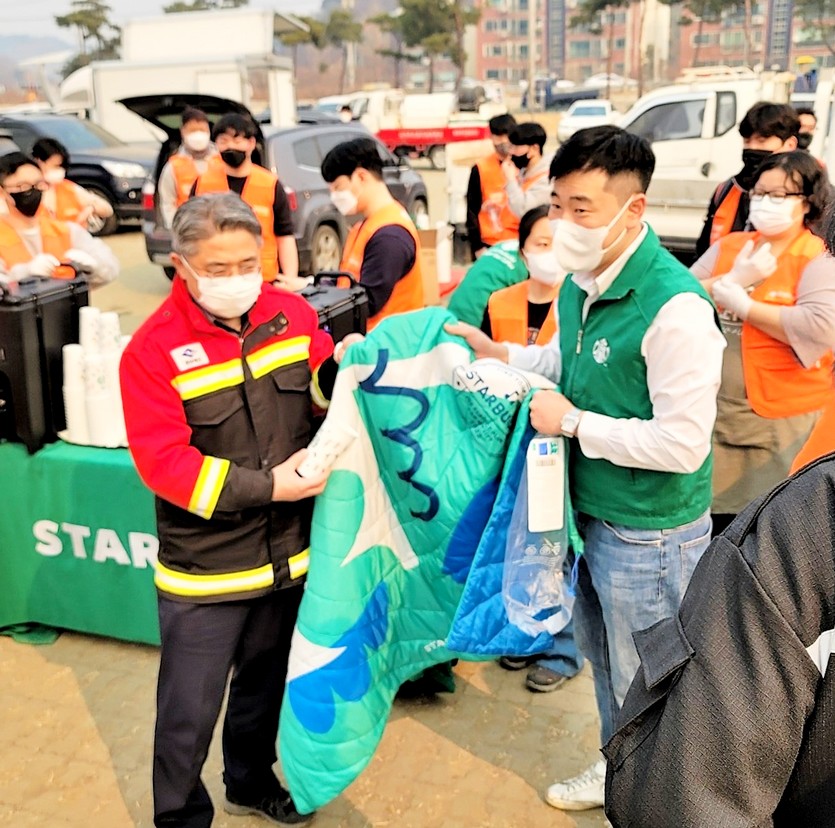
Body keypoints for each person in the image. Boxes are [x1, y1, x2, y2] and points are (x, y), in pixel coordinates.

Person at [446, 125, 725, 812]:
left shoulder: (676, 308)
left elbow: (681, 444)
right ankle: (616, 772)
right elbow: (562, 367)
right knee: (604, 666)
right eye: (558, 204)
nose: (564, 225)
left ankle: (659, 802)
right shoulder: (581, 280)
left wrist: (569, 422)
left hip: (649, 534)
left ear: (633, 211)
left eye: (582, 210)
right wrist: (500, 354)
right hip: (587, 513)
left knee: (650, 681)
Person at [120, 192, 340, 828]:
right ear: (182, 266)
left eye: (250, 262)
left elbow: (322, 395)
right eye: (218, 269)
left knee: (264, 689)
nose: (238, 278)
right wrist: (270, 488)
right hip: (207, 573)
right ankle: (181, 816)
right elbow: (167, 466)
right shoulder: (153, 350)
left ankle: (249, 779)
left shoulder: (292, 314)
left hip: (289, 556)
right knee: (188, 710)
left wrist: (346, 367)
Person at [604, 453, 835, 827]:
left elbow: (690, 795)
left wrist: (573, 421)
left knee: (639, 686)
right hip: (606, 513)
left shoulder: (816, 526)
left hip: (653, 526)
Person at [691, 150, 835, 535]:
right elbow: (678, 294)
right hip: (717, 408)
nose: (765, 202)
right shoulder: (733, 247)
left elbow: (820, 326)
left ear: (806, 203)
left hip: (782, 418)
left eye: (779, 195)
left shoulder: (816, 256)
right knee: (714, 514)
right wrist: (731, 281)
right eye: (759, 192)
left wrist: (744, 306)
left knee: (766, 519)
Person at [322, 136, 424, 330]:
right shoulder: (368, 225)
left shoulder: (389, 236)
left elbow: (368, 302)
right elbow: (348, 278)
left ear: (361, 177)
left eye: (338, 187)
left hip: (388, 347)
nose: (334, 196)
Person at [193, 113, 299, 286]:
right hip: (217, 280)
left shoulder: (270, 184)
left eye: (237, 140)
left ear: (251, 143)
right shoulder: (202, 183)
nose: (230, 146)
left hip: (263, 278)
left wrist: (291, 279)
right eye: (223, 140)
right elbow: (191, 236)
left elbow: (285, 235)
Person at [695, 102, 799, 258]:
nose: (753, 148)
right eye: (747, 141)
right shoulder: (727, 189)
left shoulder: (812, 196)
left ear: (790, 144)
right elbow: (703, 249)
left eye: (762, 140)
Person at [0, 151, 118, 286]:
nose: (32, 191)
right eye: (22, 186)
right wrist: (24, 273)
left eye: (38, 184)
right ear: (2, 191)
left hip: (66, 305)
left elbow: (111, 268)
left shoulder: (66, 230)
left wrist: (95, 267)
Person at [466, 113, 518, 260]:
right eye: (497, 136)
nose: (503, 141)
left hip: (519, 243)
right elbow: (472, 210)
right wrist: (477, 247)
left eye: (506, 135)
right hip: (490, 245)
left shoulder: (523, 167)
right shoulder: (480, 168)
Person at [31, 137, 114, 229]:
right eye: (55, 166)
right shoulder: (25, 191)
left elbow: (107, 209)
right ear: (39, 161)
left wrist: (90, 209)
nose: (60, 170)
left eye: (61, 166)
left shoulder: (68, 188)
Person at [157, 107, 217, 228]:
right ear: (183, 131)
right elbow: (168, 203)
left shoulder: (222, 160)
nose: (198, 134)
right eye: (193, 130)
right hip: (188, 231)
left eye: (202, 129)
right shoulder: (173, 166)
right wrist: (178, 229)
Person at [503, 122, 552, 220]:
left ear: (534, 148)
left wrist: (511, 180)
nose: (511, 152)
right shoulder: (523, 172)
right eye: (510, 146)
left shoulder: (546, 179)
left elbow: (524, 210)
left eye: (516, 147)